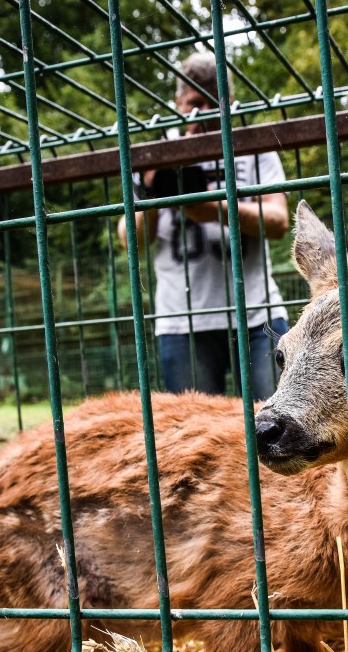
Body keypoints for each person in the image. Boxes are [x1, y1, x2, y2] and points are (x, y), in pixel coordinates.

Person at [118, 51, 290, 400]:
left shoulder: (251, 145)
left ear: (230, 104)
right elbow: (129, 239)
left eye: (214, 104)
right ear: (178, 104)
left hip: (258, 315)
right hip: (181, 321)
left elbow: (279, 221)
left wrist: (211, 209)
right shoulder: (157, 150)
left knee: (285, 424)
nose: (203, 114)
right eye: (194, 103)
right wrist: (153, 193)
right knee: (192, 436)